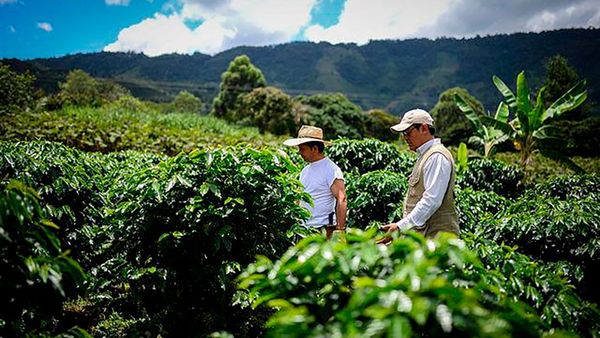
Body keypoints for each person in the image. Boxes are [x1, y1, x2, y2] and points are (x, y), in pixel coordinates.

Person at [379, 109, 459, 243]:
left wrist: (401, 226)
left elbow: (432, 200)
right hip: (424, 239)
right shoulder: (425, 155)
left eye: (408, 132)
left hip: (437, 240)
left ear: (423, 128)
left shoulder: (436, 157)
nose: (405, 138)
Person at [284, 125, 347, 239]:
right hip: (303, 229)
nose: (300, 152)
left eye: (302, 149)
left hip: (321, 229)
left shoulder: (331, 170)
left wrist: (340, 230)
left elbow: (341, 199)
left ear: (315, 149)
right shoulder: (305, 170)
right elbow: (300, 197)